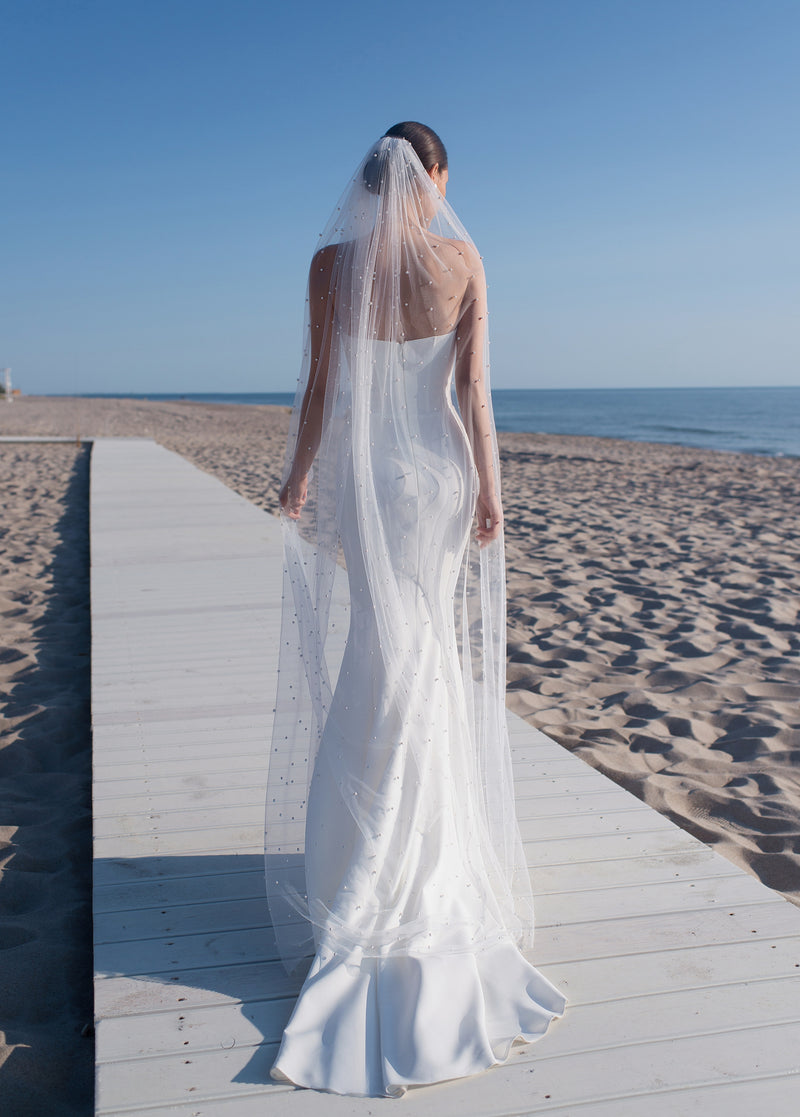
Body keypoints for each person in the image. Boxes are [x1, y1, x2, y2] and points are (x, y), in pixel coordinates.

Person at [265, 122, 565, 1097]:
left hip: (366, 482)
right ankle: (420, 844)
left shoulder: (327, 262)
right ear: (434, 178)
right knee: (425, 647)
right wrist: (489, 488)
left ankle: (362, 852)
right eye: (439, 181)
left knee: (379, 649)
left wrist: (298, 478)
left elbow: (319, 389)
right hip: (434, 479)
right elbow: (472, 393)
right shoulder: (462, 260)